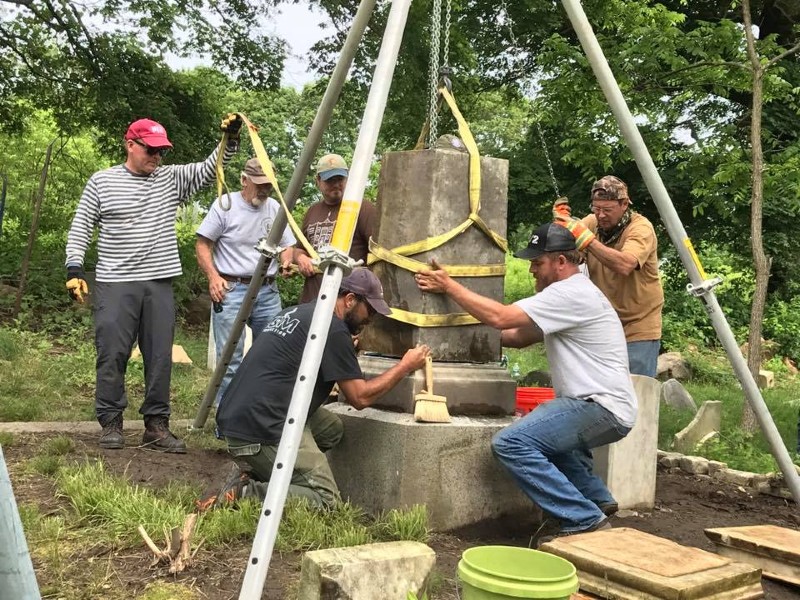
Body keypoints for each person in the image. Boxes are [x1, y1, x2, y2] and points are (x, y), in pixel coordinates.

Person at [415, 222, 637, 543]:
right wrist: (453, 336)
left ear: (561, 262)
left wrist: (451, 287)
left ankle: (583, 518)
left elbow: (502, 318)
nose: (532, 269)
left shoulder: (569, 292)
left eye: (537, 262)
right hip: (605, 407)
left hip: (598, 407)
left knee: (512, 443)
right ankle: (595, 497)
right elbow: (517, 337)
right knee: (542, 433)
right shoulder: (578, 293)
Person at [65, 115, 242, 452]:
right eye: (150, 150)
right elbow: (81, 227)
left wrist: (229, 139)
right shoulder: (102, 182)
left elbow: (210, 168)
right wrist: (74, 268)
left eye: (162, 151)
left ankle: (156, 426)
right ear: (129, 144)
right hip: (116, 283)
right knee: (112, 353)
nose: (157, 157)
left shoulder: (170, 179)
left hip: (159, 283)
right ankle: (111, 422)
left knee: (160, 356)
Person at [209, 268, 429, 509]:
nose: (371, 319)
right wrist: (405, 366)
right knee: (326, 501)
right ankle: (244, 492)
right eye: (371, 310)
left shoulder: (301, 312)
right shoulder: (332, 329)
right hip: (262, 427)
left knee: (331, 430)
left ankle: (273, 476)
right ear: (350, 300)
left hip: (245, 414)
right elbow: (359, 398)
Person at [196, 157, 296, 406]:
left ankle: (261, 409)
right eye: (259, 183)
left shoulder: (275, 208)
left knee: (274, 351)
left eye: (268, 185)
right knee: (230, 357)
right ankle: (226, 415)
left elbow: (287, 244)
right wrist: (213, 277)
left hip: (267, 290)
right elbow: (202, 244)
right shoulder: (224, 206)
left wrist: (285, 261)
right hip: (231, 290)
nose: (264, 189)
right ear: (244, 180)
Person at [554, 176, 664, 377]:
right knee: (601, 393)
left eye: (607, 210)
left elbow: (625, 264)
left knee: (636, 393)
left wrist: (586, 240)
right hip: (604, 324)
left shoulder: (640, 228)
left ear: (624, 204)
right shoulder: (592, 223)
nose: (601, 215)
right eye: (596, 209)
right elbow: (563, 251)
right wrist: (561, 225)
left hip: (638, 326)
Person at [293, 154, 377, 303]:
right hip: (311, 299)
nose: (336, 184)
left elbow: (378, 254)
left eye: (340, 179)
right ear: (318, 181)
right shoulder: (312, 211)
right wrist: (301, 258)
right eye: (330, 180)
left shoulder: (363, 208)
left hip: (346, 304)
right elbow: (299, 248)